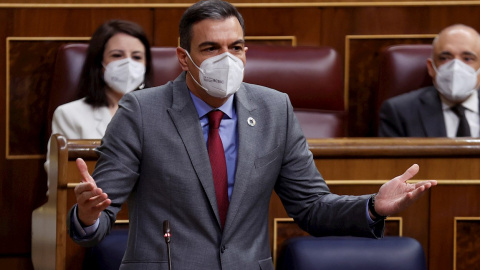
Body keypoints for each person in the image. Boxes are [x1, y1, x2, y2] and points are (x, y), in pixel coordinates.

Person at [68, 1, 437, 269]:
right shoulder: (142, 111)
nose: (226, 58)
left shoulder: (274, 108)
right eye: (211, 48)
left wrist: (372, 206)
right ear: (184, 57)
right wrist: (87, 215)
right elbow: (101, 215)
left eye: (236, 47)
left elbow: (310, 207)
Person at [32, 19, 152, 270]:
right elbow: (60, 187)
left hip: (153, 222)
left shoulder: (164, 114)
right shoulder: (70, 114)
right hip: (96, 225)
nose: (128, 64)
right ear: (99, 64)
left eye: (137, 56)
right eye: (117, 55)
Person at [379, 24, 480, 137]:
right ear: (431, 68)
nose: (455, 67)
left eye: (467, 59)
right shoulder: (399, 112)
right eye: (445, 58)